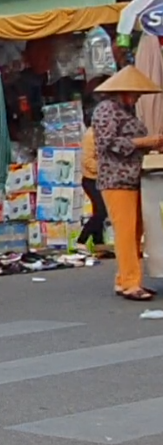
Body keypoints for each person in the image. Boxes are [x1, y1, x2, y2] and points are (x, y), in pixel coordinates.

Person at [91, 66, 163, 301]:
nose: (138, 97)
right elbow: (108, 143)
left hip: (132, 176)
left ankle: (125, 279)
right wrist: (145, 141)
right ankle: (131, 283)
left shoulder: (127, 110)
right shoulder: (106, 110)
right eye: (135, 93)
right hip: (116, 178)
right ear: (123, 91)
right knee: (125, 231)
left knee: (135, 231)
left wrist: (150, 144)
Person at [76, 123, 110, 251]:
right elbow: (87, 161)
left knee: (99, 211)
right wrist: (107, 168)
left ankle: (98, 244)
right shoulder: (91, 135)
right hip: (91, 179)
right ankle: (81, 240)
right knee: (101, 211)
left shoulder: (105, 134)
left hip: (100, 178)